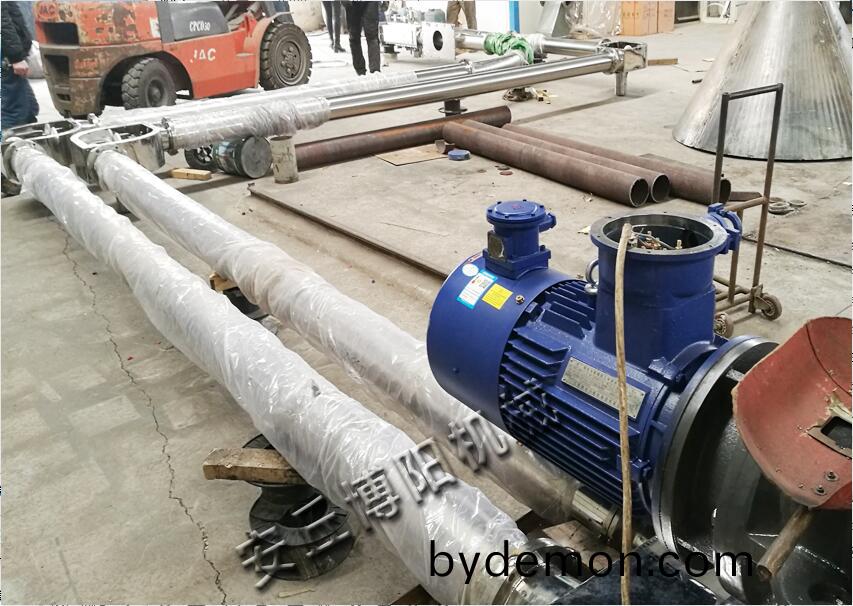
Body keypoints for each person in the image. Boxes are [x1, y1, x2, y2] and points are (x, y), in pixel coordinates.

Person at [1, 1, 39, 132]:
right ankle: (13, 140)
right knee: (15, 112)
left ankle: (28, 138)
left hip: (9, 55)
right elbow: (2, 22)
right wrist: (15, 57)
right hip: (7, 58)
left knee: (29, 108)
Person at [342, 1, 380, 76]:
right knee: (354, 36)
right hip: (352, 4)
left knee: (372, 35)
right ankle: (360, 71)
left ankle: (375, 70)